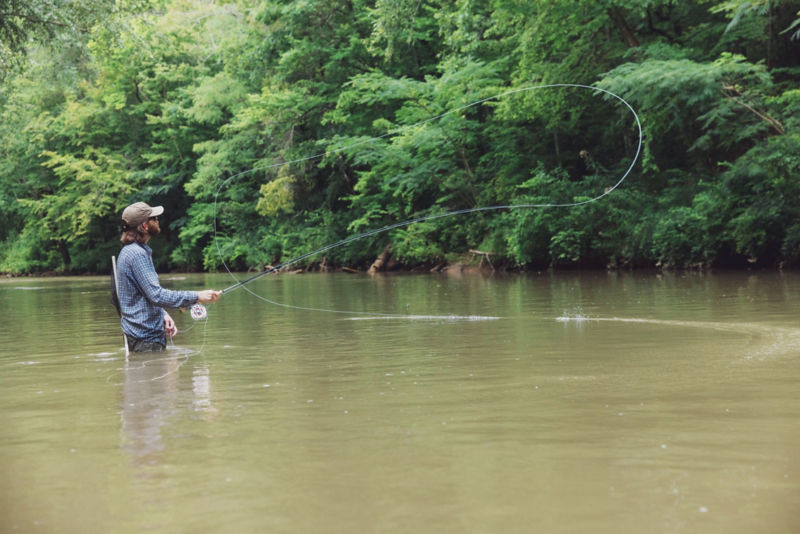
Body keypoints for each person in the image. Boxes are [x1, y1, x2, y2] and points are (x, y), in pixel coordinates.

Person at [116, 202, 221, 352]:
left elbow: (145, 295)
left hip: (140, 336)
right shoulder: (137, 254)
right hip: (146, 339)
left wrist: (163, 314)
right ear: (145, 226)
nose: (158, 221)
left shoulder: (130, 251)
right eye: (154, 218)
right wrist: (197, 296)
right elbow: (157, 296)